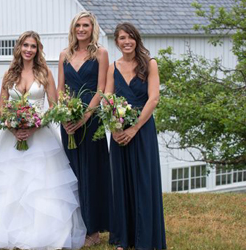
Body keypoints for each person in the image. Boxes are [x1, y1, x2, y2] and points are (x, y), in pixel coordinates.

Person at [0, 31, 86, 250]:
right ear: (19, 48)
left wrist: (35, 126)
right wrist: (13, 126)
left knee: (40, 187)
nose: (28, 49)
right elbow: (0, 107)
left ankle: (41, 235)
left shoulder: (45, 72)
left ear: (38, 49)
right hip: (12, 137)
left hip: (41, 137)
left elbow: (54, 107)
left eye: (33, 46)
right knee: (10, 187)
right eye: (25, 45)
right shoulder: (9, 73)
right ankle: (3, 233)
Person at [105, 23, 167, 250]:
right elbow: (107, 99)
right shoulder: (113, 68)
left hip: (142, 132)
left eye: (130, 37)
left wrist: (134, 129)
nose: (127, 41)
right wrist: (114, 128)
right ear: (117, 42)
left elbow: (153, 99)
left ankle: (145, 238)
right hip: (119, 131)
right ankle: (124, 238)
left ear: (137, 40)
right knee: (120, 182)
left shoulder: (150, 64)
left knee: (143, 182)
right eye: (122, 38)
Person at [57, 11, 112, 246]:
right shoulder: (64, 55)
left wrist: (85, 116)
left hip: (92, 120)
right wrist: (64, 115)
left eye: (86, 25)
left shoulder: (100, 53)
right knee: (71, 172)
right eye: (78, 25)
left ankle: (93, 229)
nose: (81, 29)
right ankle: (74, 224)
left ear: (92, 28)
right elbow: (60, 89)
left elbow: (101, 89)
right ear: (73, 28)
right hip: (68, 120)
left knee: (92, 172)